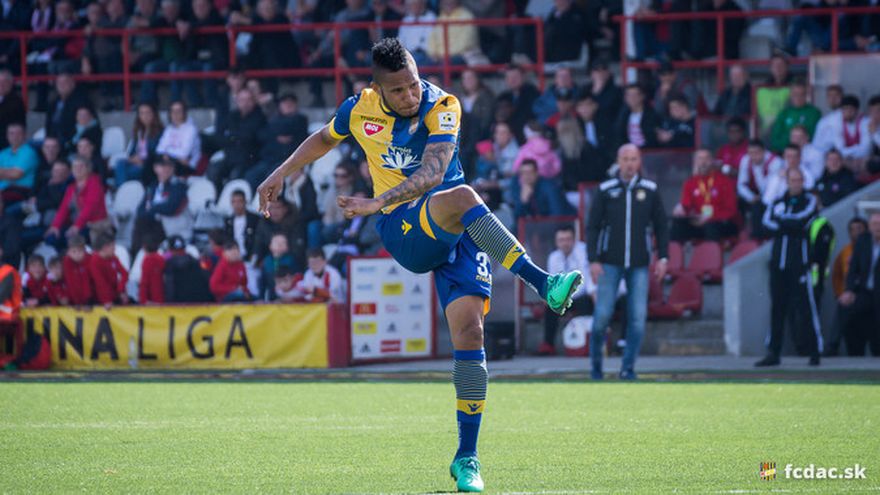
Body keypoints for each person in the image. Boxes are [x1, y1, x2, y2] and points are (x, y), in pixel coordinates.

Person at [256, 38, 582, 492]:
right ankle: (544, 284)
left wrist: (375, 200)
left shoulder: (443, 105)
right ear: (378, 90)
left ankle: (466, 458)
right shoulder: (359, 109)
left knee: (470, 333)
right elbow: (325, 138)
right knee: (463, 196)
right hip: (405, 228)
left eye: (413, 84)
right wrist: (280, 173)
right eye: (399, 90)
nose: (411, 95)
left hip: (455, 222)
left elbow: (432, 172)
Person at [585, 144, 669, 380]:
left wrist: (663, 257)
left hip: (640, 264)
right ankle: (596, 369)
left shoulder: (650, 190)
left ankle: (627, 368)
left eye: (633, 159)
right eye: (625, 159)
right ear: (618, 161)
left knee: (638, 318)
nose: (629, 164)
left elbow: (662, 227)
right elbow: (592, 227)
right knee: (602, 317)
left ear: (639, 162)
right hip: (609, 262)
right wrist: (593, 260)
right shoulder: (605, 189)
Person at [755, 167, 822, 367]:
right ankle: (773, 352)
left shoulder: (809, 200)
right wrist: (787, 225)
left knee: (806, 307)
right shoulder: (778, 201)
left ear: (803, 181)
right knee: (777, 308)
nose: (796, 183)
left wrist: (782, 222)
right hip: (778, 265)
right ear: (787, 182)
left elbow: (803, 221)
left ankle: (815, 351)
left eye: (799, 180)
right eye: (792, 180)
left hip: (799, 264)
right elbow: (765, 223)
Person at [539, 225, 594, 355]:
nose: (565, 243)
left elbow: (586, 282)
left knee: (586, 302)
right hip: (564, 298)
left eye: (568, 239)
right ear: (556, 242)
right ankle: (548, 345)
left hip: (582, 296)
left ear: (574, 239)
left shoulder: (583, 252)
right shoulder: (553, 257)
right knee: (550, 306)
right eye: (561, 240)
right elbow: (553, 283)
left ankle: (586, 345)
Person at [836, 211, 880, 356]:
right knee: (845, 305)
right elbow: (853, 269)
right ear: (869, 226)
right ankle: (834, 347)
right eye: (875, 224)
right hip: (864, 292)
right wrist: (848, 290)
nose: (878, 227)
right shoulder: (863, 241)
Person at [671, 149, 739, 242]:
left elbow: (731, 211)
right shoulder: (690, 183)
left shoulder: (724, 181)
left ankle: (713, 251)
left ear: (712, 161)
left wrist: (710, 217)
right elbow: (686, 205)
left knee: (711, 225)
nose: (703, 162)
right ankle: (674, 251)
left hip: (719, 222)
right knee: (677, 223)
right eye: (700, 159)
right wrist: (680, 210)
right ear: (695, 162)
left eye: (706, 158)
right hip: (698, 221)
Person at [45, 155, 109, 249]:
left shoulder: (94, 183)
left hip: (95, 225)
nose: (77, 169)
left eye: (81, 166)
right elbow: (64, 208)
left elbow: (89, 208)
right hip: (79, 224)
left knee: (71, 238)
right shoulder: (72, 187)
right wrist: (55, 226)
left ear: (88, 169)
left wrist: (77, 226)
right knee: (51, 237)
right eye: (75, 167)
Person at [826, 217, 868, 356]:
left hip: (869, 294)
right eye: (853, 230)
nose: (856, 233)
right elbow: (837, 275)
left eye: (859, 229)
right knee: (844, 311)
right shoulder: (845, 252)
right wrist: (840, 293)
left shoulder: (872, 249)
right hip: (850, 295)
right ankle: (833, 346)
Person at [131, 157, 188, 254]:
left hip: (168, 224)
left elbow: (170, 208)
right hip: (149, 223)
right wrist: (153, 210)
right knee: (141, 221)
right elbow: (140, 210)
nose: (166, 169)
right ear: (155, 168)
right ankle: (138, 255)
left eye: (170, 166)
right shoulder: (152, 187)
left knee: (144, 227)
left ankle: (142, 254)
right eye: (163, 166)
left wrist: (152, 208)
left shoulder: (178, 186)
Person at [737, 140, 782, 238]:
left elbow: (772, 187)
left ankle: (762, 236)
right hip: (757, 194)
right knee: (740, 201)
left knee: (759, 207)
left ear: (764, 152)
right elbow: (741, 185)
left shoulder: (775, 162)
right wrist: (751, 197)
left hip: (774, 195)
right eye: (751, 153)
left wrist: (760, 199)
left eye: (756, 153)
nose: (753, 156)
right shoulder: (746, 160)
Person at [114, 102, 164, 186]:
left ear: (154, 114)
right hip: (136, 163)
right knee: (120, 163)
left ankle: (120, 190)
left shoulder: (159, 132)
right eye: (142, 113)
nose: (145, 116)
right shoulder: (139, 131)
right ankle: (122, 189)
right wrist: (133, 159)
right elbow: (131, 152)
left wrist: (142, 160)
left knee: (124, 173)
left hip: (147, 165)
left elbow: (155, 152)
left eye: (147, 112)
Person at [505, 159, 572, 222]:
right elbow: (517, 219)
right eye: (523, 173)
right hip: (538, 225)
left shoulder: (549, 186)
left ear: (536, 173)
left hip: (565, 222)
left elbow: (557, 213)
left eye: (530, 172)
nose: (527, 176)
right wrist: (523, 202)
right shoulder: (520, 188)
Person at [769, 81, 822, 153]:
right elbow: (775, 139)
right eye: (795, 94)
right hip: (786, 154)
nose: (798, 97)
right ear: (790, 95)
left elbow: (818, 137)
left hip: (808, 153)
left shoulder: (814, 113)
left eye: (802, 94)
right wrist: (790, 145)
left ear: (806, 95)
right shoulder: (784, 113)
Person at [155, 100, 201, 178]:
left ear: (184, 113)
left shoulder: (191, 129)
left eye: (178, 111)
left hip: (188, 166)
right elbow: (159, 149)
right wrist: (170, 155)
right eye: (172, 111)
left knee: (163, 166)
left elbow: (184, 153)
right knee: (152, 160)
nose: (175, 114)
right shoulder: (169, 129)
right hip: (173, 161)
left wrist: (167, 153)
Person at [164, 235, 212, 303]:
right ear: (185, 248)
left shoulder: (169, 265)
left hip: (178, 305)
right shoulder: (197, 262)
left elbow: (170, 289)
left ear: (170, 250)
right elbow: (208, 280)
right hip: (200, 303)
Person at [0, 123, 39, 201]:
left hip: (21, 190)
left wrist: (4, 173)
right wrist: (9, 172)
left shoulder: (28, 152)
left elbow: (16, 174)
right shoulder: (3, 153)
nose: (15, 137)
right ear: (7, 136)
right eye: (11, 134)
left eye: (18, 134)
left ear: (24, 135)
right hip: (3, 190)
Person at [89, 233, 130, 307]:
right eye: (113, 247)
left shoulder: (113, 258)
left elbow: (125, 273)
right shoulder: (94, 261)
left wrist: (121, 290)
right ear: (105, 248)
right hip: (100, 299)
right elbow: (100, 283)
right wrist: (106, 300)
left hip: (115, 295)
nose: (114, 249)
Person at [614, 84, 660, 149]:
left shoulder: (652, 115)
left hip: (648, 151)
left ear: (642, 96)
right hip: (629, 151)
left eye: (635, 95)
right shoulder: (623, 116)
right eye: (629, 95)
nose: (632, 98)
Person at [224, 190, 260, 262]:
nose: (236, 205)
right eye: (234, 202)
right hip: (232, 257)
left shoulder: (255, 219)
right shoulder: (228, 221)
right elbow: (227, 240)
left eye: (239, 201)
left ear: (245, 202)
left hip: (250, 257)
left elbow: (258, 240)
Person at [260, 233, 296, 300]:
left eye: (283, 242)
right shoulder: (266, 261)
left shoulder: (291, 260)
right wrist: (261, 297)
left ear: (287, 247)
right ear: (270, 246)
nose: (279, 244)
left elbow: (296, 278)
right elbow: (262, 281)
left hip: (288, 296)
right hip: (272, 296)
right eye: (276, 242)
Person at [62, 235, 95, 306]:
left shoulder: (90, 260)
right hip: (74, 300)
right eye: (74, 252)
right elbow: (70, 282)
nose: (77, 255)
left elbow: (89, 282)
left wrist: (88, 301)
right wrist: (75, 301)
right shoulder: (67, 261)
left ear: (84, 250)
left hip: (92, 299)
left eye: (80, 251)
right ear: (68, 252)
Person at [0, 70, 26, 150]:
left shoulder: (16, 101)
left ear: (11, 83)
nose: (1, 85)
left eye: (5, 82)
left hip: (6, 142)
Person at [139, 235, 165, 304]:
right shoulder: (161, 259)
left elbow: (144, 283)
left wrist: (143, 300)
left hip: (152, 302)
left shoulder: (147, 260)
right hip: (163, 299)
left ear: (144, 247)